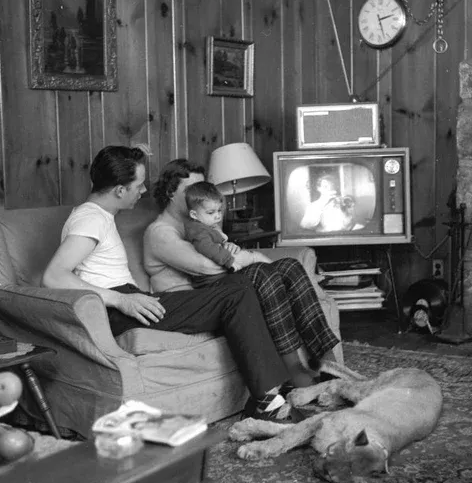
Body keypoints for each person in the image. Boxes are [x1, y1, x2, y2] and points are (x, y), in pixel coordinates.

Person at [41, 145, 299, 422]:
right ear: (119, 190)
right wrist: (121, 300)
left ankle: (271, 391)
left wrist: (136, 153)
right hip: (119, 308)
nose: (142, 192)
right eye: (138, 186)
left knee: (237, 290)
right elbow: (54, 276)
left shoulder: (97, 215)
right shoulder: (90, 219)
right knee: (235, 295)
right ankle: (268, 399)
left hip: (131, 300)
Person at [142, 158, 341, 389]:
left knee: (289, 266)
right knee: (261, 272)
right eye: (190, 189)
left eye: (203, 187)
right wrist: (251, 257)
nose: (198, 193)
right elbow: (208, 266)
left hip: (219, 288)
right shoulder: (160, 233)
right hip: (196, 303)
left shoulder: (201, 222)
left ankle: (328, 361)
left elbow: (223, 252)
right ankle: (293, 370)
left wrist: (235, 250)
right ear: (170, 192)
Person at [184, 181, 271, 277]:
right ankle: (276, 270)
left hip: (222, 262)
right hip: (221, 265)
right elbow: (206, 247)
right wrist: (228, 261)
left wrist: (226, 244)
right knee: (255, 257)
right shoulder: (197, 230)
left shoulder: (206, 226)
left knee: (257, 260)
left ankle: (275, 272)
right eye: (210, 212)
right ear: (194, 215)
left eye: (219, 210)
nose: (217, 216)